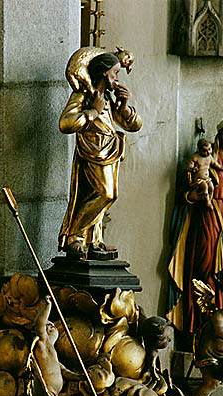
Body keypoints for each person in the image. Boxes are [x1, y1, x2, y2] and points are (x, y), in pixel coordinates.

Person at [168, 117, 223, 336]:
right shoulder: (210, 158)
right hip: (209, 214)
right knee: (206, 265)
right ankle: (200, 323)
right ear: (221, 134)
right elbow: (191, 181)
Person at [58, 51, 142, 260]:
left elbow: (133, 125)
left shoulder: (109, 98)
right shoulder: (85, 95)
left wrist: (123, 105)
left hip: (110, 152)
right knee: (105, 193)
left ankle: (93, 239)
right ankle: (74, 235)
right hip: (91, 151)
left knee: (104, 197)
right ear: (104, 73)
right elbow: (66, 123)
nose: (117, 78)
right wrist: (92, 113)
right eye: (114, 73)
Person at [186, 138, 223, 209]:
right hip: (199, 180)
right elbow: (189, 167)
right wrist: (193, 169)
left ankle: (210, 200)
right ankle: (207, 201)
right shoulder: (195, 157)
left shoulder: (209, 157)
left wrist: (221, 167)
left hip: (207, 179)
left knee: (211, 187)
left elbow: (215, 164)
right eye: (205, 150)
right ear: (199, 150)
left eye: (209, 149)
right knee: (205, 187)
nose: (208, 152)